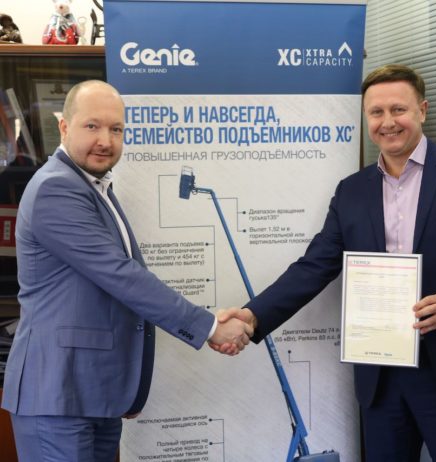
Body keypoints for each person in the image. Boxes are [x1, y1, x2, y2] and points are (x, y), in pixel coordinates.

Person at [214, 64, 436, 461]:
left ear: (422, 111)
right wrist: (252, 316)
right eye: (376, 112)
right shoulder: (352, 190)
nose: (388, 122)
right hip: (381, 376)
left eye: (398, 109)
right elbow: (314, 266)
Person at [1, 80, 251, 462]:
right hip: (57, 396)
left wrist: (126, 389)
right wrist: (210, 327)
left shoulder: (95, 187)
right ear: (64, 126)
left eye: (116, 129)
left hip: (95, 394)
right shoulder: (57, 188)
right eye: (92, 126)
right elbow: (121, 277)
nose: (105, 140)